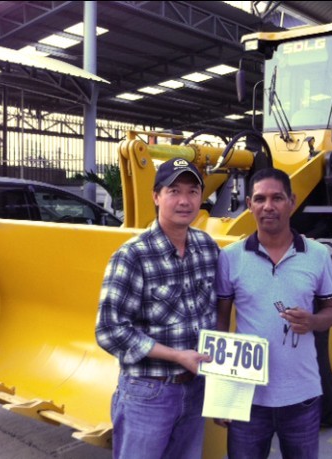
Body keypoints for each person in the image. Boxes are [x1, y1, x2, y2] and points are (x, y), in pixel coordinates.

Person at [96, 157, 219, 459]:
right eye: (174, 191)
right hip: (148, 394)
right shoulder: (132, 256)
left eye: (192, 192)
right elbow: (109, 331)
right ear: (156, 196)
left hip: (196, 389)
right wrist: (177, 356)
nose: (184, 201)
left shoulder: (207, 248)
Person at [215, 167, 332, 459]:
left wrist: (312, 321)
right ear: (249, 205)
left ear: (292, 202)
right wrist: (222, 394)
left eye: (277, 198)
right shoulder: (230, 258)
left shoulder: (318, 255)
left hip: (302, 397)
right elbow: (221, 323)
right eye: (260, 199)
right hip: (247, 398)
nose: (268, 206)